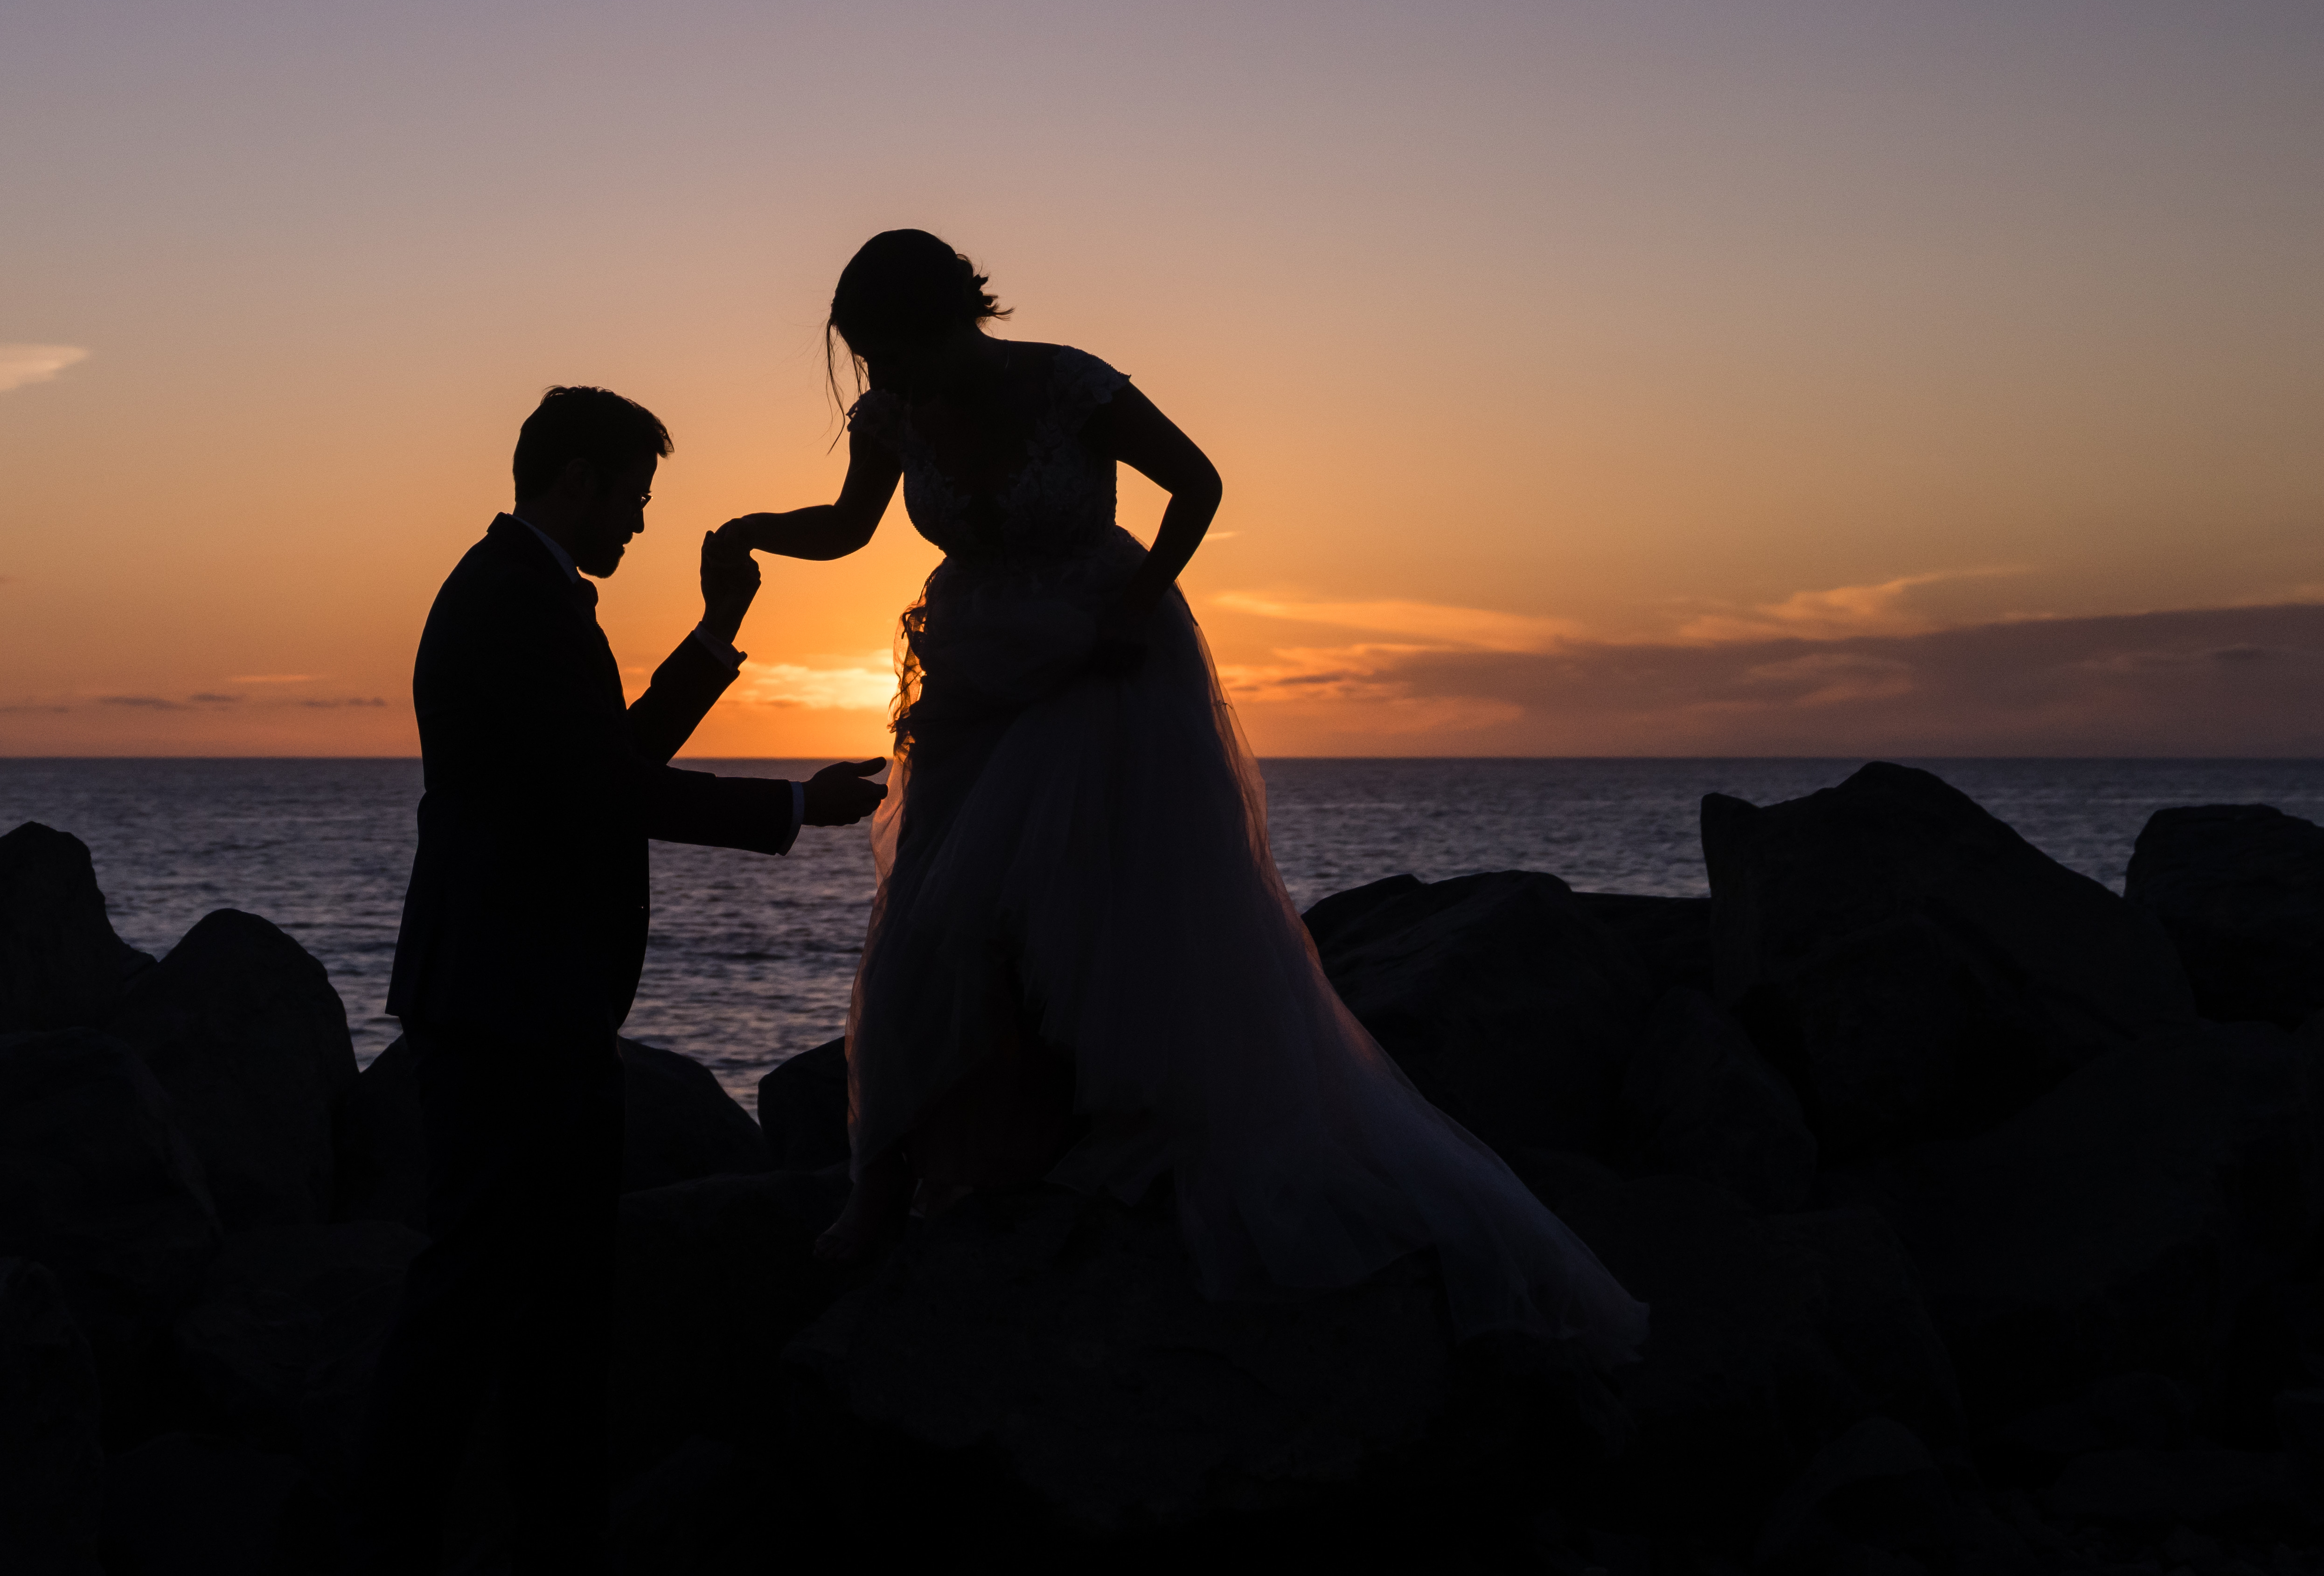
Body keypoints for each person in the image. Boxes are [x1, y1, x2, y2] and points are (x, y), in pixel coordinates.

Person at [713, 230, 1642, 1360]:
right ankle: (887, 1178)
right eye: (869, 362)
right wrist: (756, 532)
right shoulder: (895, 415)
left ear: (949, 317)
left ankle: (1107, 1130)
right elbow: (853, 528)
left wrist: (1132, 604)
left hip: (1109, 666)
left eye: (892, 351)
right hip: (976, 673)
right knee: (927, 918)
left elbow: (1196, 485)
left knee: (1101, 909)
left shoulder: (1070, 383)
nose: (883, 379)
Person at [359, 384, 890, 1570]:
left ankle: (532, 1526)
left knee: (548, 1291)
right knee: (483, 1295)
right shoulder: (512, 604)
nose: (642, 524)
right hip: (509, 1001)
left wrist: (714, 637)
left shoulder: (523, 595)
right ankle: (405, 1531)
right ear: (579, 480)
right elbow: (614, 794)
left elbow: (607, 762)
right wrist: (799, 808)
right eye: (635, 497)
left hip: (524, 995)